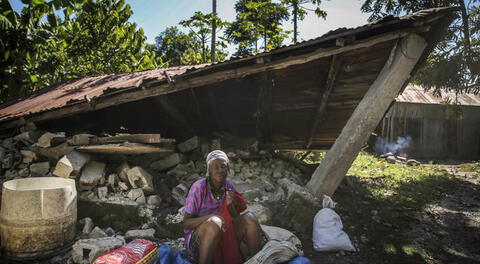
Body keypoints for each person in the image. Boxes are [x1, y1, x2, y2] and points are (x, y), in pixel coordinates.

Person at [183, 150, 263, 264]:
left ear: (228, 169)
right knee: (214, 223)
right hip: (201, 240)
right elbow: (186, 223)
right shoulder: (199, 187)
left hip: (224, 234)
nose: (220, 170)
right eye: (215, 167)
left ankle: (258, 260)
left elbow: (234, 218)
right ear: (209, 170)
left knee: (250, 218)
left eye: (223, 167)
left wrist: (230, 205)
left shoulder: (228, 185)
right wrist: (210, 217)